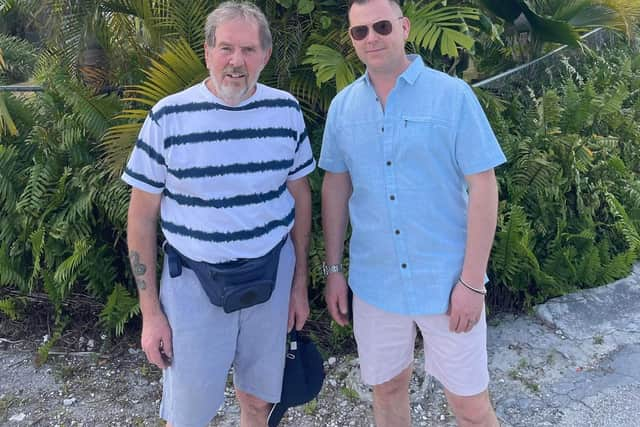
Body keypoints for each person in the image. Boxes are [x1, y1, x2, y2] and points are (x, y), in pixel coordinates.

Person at [122, 2, 315, 426]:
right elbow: (140, 219)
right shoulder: (168, 117)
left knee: (260, 401)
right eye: (225, 47)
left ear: (265, 55)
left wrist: (299, 286)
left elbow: (301, 200)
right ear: (207, 51)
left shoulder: (285, 113)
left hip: (272, 278)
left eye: (248, 50)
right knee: (188, 415)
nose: (236, 61)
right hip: (192, 286)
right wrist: (151, 313)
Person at [320, 0, 506, 426]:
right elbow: (335, 186)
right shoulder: (343, 108)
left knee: (472, 408)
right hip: (375, 285)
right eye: (359, 31)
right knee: (386, 392)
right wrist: (333, 268)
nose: (372, 38)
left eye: (382, 26)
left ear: (404, 27)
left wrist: (473, 283)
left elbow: (484, 186)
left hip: (447, 284)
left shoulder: (452, 96)